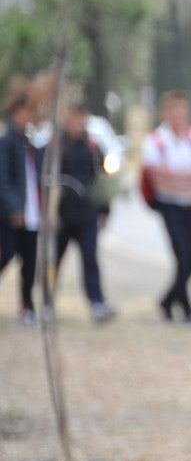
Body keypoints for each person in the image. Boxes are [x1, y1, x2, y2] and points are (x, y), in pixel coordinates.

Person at [141, 89, 191, 322]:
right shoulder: (155, 141)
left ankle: (168, 299)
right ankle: (186, 307)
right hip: (169, 206)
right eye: (172, 109)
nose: (177, 114)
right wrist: (190, 181)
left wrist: (179, 179)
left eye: (181, 109)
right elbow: (160, 179)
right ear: (165, 112)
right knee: (181, 255)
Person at [51, 99, 116, 323]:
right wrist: (51, 213)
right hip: (61, 216)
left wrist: (105, 211)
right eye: (73, 117)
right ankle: (47, 303)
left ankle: (97, 303)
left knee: (90, 259)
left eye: (81, 117)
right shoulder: (54, 146)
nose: (77, 122)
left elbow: (103, 181)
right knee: (54, 261)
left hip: (87, 214)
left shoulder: (94, 146)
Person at [0, 77, 43, 325]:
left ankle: (27, 305)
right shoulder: (6, 143)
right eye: (27, 111)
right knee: (7, 255)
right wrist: (13, 208)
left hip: (32, 214)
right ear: (17, 111)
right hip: (12, 214)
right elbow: (3, 179)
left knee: (30, 263)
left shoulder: (30, 143)